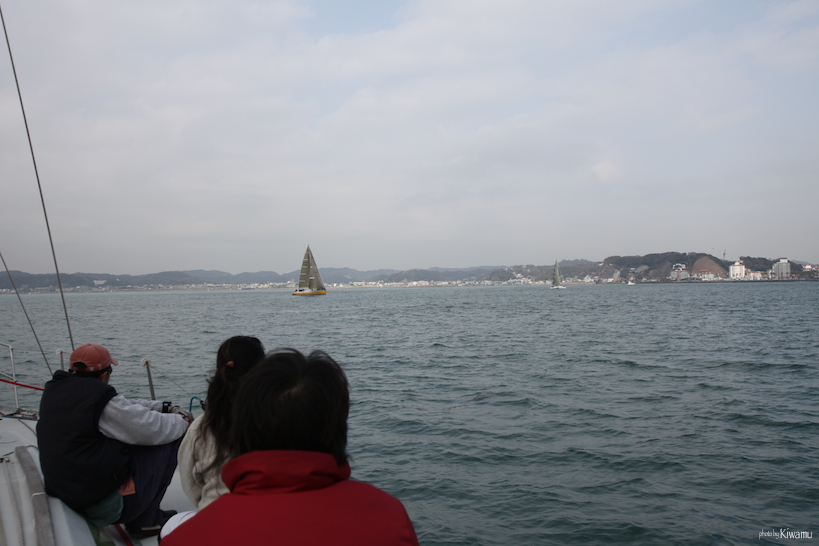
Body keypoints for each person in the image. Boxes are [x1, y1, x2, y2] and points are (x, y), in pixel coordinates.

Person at [162, 348, 419, 546]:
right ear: (339, 432)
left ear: (239, 437)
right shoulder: (391, 520)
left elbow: (191, 486)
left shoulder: (186, 539)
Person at [38, 343, 190, 538]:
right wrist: (183, 422)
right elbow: (152, 428)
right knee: (169, 437)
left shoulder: (57, 390)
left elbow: (123, 407)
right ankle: (146, 522)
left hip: (67, 493)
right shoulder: (100, 400)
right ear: (104, 375)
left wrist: (162, 407)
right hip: (98, 506)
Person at [160, 336, 265, 538]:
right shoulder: (279, 420)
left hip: (216, 524)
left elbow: (191, 487)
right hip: (267, 522)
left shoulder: (199, 428)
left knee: (171, 526)